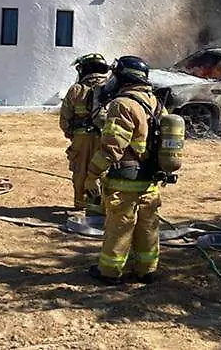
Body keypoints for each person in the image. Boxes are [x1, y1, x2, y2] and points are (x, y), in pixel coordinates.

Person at [82, 55, 164, 285]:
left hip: (124, 180)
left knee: (120, 226)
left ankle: (109, 272)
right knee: (147, 226)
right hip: (150, 180)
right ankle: (146, 270)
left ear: (123, 78)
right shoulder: (155, 102)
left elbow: (112, 148)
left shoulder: (123, 104)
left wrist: (92, 175)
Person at [59, 53, 110, 211]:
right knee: (103, 169)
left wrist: (72, 133)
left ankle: (81, 205)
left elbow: (65, 120)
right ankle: (102, 206)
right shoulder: (112, 88)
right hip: (107, 137)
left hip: (81, 139)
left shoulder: (76, 90)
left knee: (80, 172)